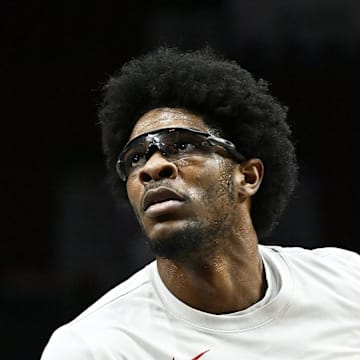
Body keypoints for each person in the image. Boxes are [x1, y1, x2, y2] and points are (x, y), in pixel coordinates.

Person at [41, 47, 360, 359]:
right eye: (135, 158)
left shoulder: (347, 281)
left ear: (247, 177)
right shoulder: (93, 347)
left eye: (181, 144)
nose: (151, 168)